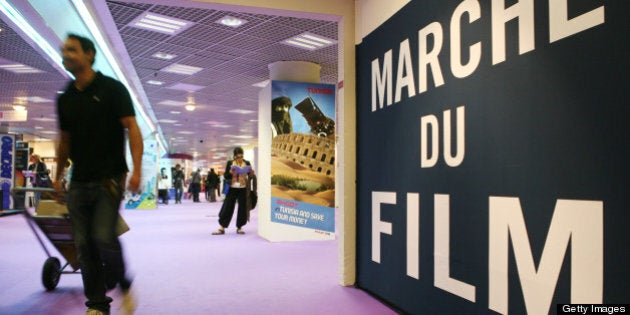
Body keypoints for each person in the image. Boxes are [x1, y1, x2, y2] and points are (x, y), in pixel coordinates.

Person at [53, 33, 142, 315]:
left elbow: (133, 128)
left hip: (110, 179)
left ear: (89, 54)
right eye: (64, 50)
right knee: (84, 245)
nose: (65, 54)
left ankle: (123, 283)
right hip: (78, 181)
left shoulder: (113, 90)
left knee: (103, 236)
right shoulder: (65, 98)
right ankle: (98, 305)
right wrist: (58, 175)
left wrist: (138, 170)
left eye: (72, 49)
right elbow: (64, 140)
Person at [212, 147, 255, 235]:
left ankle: (239, 227)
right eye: (238, 157)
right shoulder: (230, 163)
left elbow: (250, 176)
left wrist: (251, 173)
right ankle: (222, 227)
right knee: (227, 207)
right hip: (232, 188)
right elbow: (226, 176)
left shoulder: (246, 163)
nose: (240, 158)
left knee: (242, 208)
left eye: (241, 156)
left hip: (242, 188)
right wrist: (230, 173)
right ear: (234, 156)